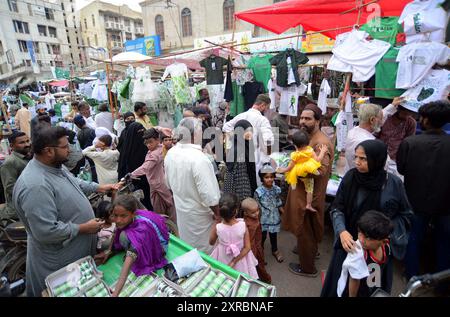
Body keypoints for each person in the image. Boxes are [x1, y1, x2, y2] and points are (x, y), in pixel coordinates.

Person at [12, 126, 119, 297]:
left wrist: (99, 188)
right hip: (59, 265)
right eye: (64, 146)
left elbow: (75, 182)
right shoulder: (36, 185)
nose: (69, 149)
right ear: (48, 151)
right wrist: (84, 228)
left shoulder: (55, 167)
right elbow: (45, 231)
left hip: (75, 261)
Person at [321, 139, 413, 297]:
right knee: (341, 286)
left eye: (363, 158)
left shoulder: (393, 184)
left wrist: (383, 236)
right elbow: (337, 207)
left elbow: (405, 215)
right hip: (349, 246)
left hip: (377, 253)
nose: (357, 162)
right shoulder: (350, 178)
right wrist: (342, 231)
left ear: (376, 159)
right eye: (356, 157)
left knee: (370, 290)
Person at [397, 101, 450, 280]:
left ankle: (412, 275)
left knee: (414, 237)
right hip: (446, 203)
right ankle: (441, 281)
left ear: (426, 120)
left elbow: (401, 169)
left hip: (416, 200)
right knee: (444, 241)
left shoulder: (410, 143)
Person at [283, 104, 334, 277]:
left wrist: (299, 169)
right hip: (303, 192)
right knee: (306, 230)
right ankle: (310, 252)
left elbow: (320, 171)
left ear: (318, 121)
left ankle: (307, 267)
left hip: (309, 196)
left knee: (306, 230)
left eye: (308, 118)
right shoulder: (307, 138)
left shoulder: (321, 142)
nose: (302, 121)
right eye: (302, 118)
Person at [164, 117, 220, 254]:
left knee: (189, 250)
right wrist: (218, 216)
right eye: (200, 130)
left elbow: (169, 185)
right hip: (201, 218)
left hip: (183, 213)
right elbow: (210, 197)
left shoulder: (171, 153)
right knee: (206, 254)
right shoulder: (199, 159)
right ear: (194, 134)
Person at [96, 195, 169, 297]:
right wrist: (109, 251)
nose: (118, 220)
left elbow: (126, 268)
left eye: (123, 216)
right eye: (115, 215)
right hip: (150, 233)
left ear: (133, 214)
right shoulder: (130, 216)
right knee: (120, 234)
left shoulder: (140, 234)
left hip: (159, 247)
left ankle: (138, 253)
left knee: (123, 237)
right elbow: (116, 230)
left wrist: (115, 294)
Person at [337, 210, 394, 297]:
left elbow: (387, 273)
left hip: (374, 290)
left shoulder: (387, 249)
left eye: (368, 237)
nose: (361, 239)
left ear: (384, 241)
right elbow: (355, 280)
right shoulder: (357, 251)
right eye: (359, 232)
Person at [223, 94, 275, 184]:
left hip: (239, 155)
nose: (266, 110)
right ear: (262, 105)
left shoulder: (240, 116)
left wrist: (238, 138)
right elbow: (268, 139)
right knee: (254, 182)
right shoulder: (262, 120)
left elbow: (226, 127)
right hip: (255, 156)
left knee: (240, 182)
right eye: (266, 107)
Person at [344, 98, 403, 172]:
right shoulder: (370, 143)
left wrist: (392, 106)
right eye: (380, 119)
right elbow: (385, 166)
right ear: (372, 120)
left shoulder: (353, 132)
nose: (382, 122)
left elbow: (381, 115)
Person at [209, 193, 259, 279]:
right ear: (236, 210)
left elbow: (211, 242)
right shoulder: (243, 225)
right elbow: (247, 248)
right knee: (240, 279)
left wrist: (216, 222)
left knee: (224, 278)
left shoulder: (218, 227)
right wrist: (233, 261)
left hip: (222, 258)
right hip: (240, 259)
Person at [277, 130, 328, 212]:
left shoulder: (294, 154)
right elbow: (318, 160)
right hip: (307, 171)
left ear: (294, 145)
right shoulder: (310, 151)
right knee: (309, 189)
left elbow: (290, 167)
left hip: (297, 172)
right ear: (308, 143)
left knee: (292, 178)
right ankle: (308, 204)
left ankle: (293, 187)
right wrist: (322, 151)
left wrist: (283, 170)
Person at [130, 128, 175, 221]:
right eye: (146, 143)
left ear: (158, 140)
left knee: (170, 207)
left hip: (160, 184)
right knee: (160, 209)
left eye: (151, 142)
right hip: (155, 184)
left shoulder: (155, 154)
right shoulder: (157, 149)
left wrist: (132, 174)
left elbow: (146, 167)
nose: (148, 145)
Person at [117, 122, 152, 209]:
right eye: (138, 132)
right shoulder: (126, 150)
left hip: (149, 183)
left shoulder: (148, 148)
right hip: (134, 184)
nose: (141, 134)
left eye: (142, 131)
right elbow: (122, 168)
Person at [254, 164, 284, 263]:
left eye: (271, 177)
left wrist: (284, 213)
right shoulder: (258, 192)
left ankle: (275, 250)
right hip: (263, 219)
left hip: (274, 217)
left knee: (273, 235)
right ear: (262, 178)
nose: (270, 179)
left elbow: (278, 202)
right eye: (266, 177)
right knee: (262, 237)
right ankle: (260, 253)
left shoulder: (276, 189)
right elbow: (256, 206)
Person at [0, 132, 32, 220]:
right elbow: (11, 189)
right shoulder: (10, 162)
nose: (27, 144)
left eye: (27, 141)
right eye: (22, 143)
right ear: (12, 146)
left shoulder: (30, 157)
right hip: (18, 209)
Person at [223, 120, 257, 202]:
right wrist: (245, 198)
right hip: (240, 194)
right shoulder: (240, 151)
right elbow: (241, 177)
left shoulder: (242, 145)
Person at [242, 197, 272, 284]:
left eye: (257, 210)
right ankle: (266, 279)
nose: (257, 214)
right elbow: (249, 240)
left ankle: (263, 278)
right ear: (246, 213)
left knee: (258, 263)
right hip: (253, 247)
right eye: (253, 212)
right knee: (258, 264)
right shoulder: (248, 224)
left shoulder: (250, 218)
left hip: (258, 244)